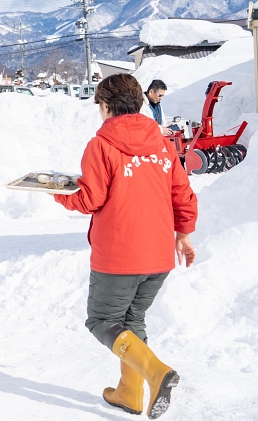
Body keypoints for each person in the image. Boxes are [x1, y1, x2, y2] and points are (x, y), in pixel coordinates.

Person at [54, 73, 197, 419]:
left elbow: (90, 198)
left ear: (105, 106)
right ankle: (129, 393)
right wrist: (184, 233)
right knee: (132, 321)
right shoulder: (163, 144)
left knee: (102, 320)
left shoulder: (101, 145)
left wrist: (56, 191)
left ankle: (156, 371)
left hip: (119, 254)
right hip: (159, 254)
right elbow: (181, 191)